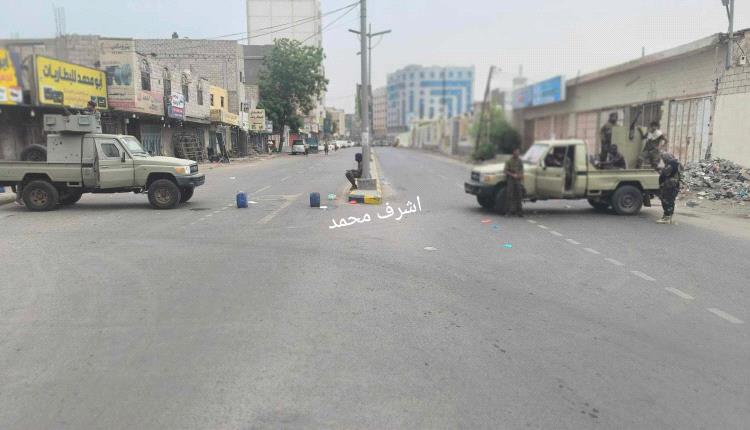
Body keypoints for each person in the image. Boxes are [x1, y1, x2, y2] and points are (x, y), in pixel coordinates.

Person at [657, 153, 681, 224]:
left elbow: (664, 174)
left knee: (667, 201)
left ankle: (667, 218)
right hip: (674, 185)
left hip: (669, 186)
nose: (663, 161)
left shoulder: (671, 164)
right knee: (670, 201)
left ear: (666, 159)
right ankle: (668, 217)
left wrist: (661, 172)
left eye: (664, 159)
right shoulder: (677, 163)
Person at [504, 147, 524, 217]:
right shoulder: (509, 161)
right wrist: (513, 175)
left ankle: (519, 211)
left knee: (519, 195)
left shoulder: (520, 161)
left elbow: (521, 169)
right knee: (510, 195)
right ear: (513, 152)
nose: (518, 153)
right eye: (516, 152)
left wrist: (520, 175)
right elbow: (505, 171)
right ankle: (508, 211)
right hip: (511, 179)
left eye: (518, 152)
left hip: (518, 179)